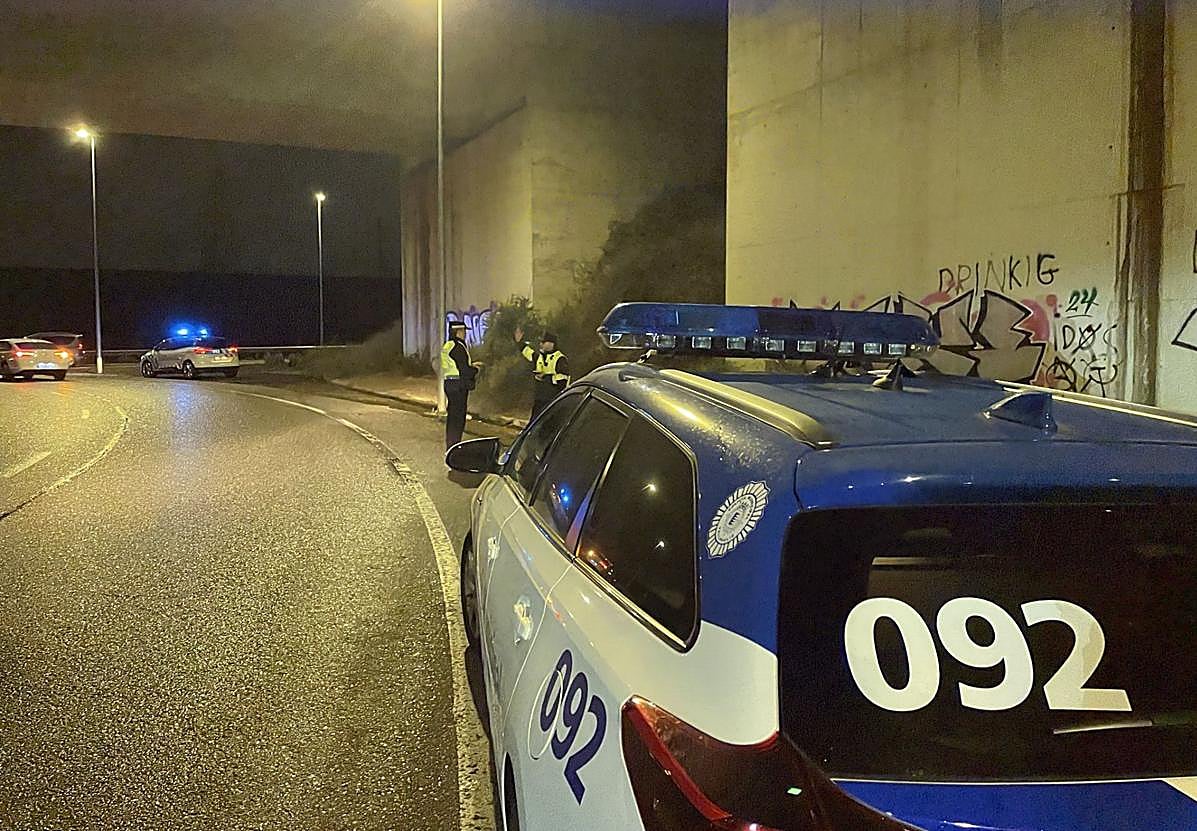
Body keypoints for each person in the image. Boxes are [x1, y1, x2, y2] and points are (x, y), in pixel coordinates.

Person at [513, 326, 570, 420]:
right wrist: (519, 342)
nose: (541, 344)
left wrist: (545, 377)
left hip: (554, 400)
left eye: (543, 342)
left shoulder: (560, 359)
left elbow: (563, 379)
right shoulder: (540, 357)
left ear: (552, 343)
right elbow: (527, 352)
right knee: (534, 423)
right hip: (540, 398)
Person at [442, 321, 479, 450]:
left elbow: (456, 365)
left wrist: (470, 366)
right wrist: (475, 370)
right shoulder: (458, 347)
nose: (465, 334)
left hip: (450, 383)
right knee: (458, 418)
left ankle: (451, 444)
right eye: (464, 331)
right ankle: (454, 446)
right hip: (458, 386)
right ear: (458, 332)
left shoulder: (448, 345)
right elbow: (463, 369)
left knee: (452, 417)